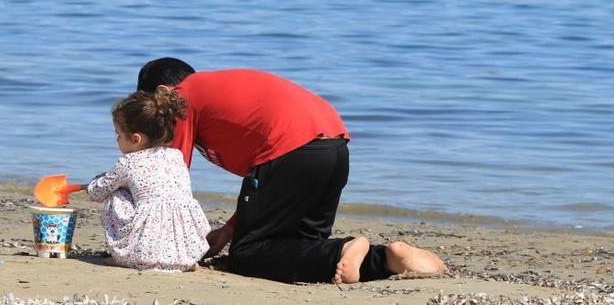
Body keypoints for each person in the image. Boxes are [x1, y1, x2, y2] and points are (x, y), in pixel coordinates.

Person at [137, 57, 448, 283]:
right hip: (333, 146)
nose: (151, 119)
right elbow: (261, 183)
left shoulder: (180, 99)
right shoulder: (214, 89)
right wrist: (232, 228)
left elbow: (169, 175)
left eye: (147, 107)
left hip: (293, 150)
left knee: (247, 256)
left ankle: (348, 248)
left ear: (164, 91)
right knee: (298, 249)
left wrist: (152, 244)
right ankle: (389, 259)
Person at [86, 89, 211, 272]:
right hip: (188, 251)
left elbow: (97, 192)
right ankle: (181, 259)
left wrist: (92, 183)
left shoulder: (128, 162)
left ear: (135, 139)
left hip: (143, 253)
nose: (117, 139)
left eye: (118, 135)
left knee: (117, 194)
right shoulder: (176, 156)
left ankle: (125, 256)